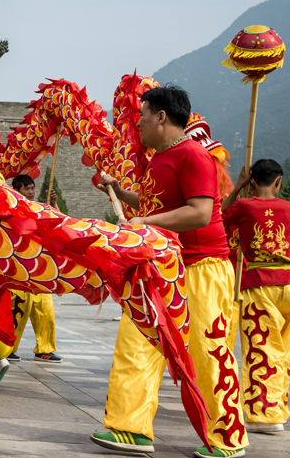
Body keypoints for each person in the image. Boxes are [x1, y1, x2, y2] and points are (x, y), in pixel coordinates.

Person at [91, 85, 248, 457]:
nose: (138, 123)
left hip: (200, 267)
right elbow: (151, 203)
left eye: (142, 115)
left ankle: (227, 437)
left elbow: (199, 212)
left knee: (208, 352)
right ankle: (129, 428)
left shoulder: (193, 155)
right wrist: (121, 193)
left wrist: (143, 220)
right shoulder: (158, 159)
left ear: (161, 116)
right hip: (161, 267)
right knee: (137, 342)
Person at [222, 159, 290, 434]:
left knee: (261, 348)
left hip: (260, 283)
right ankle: (277, 408)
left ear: (253, 182)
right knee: (283, 349)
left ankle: (264, 415)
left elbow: (218, 215)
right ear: (279, 181)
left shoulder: (244, 206)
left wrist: (237, 188)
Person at [8, 175, 62, 363]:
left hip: (41, 269)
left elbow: (59, 223)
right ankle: (7, 348)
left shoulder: (41, 208)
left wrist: (53, 203)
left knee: (45, 310)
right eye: (26, 189)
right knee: (18, 310)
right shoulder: (11, 209)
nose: (31, 192)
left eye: (32, 188)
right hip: (20, 268)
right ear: (17, 190)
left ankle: (44, 349)